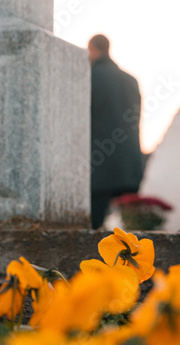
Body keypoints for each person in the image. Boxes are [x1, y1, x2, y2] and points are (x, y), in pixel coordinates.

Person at [88, 34, 144, 229]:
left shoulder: (89, 77)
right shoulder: (131, 80)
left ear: (93, 49)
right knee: (131, 232)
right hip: (129, 166)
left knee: (92, 229)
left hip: (99, 165)